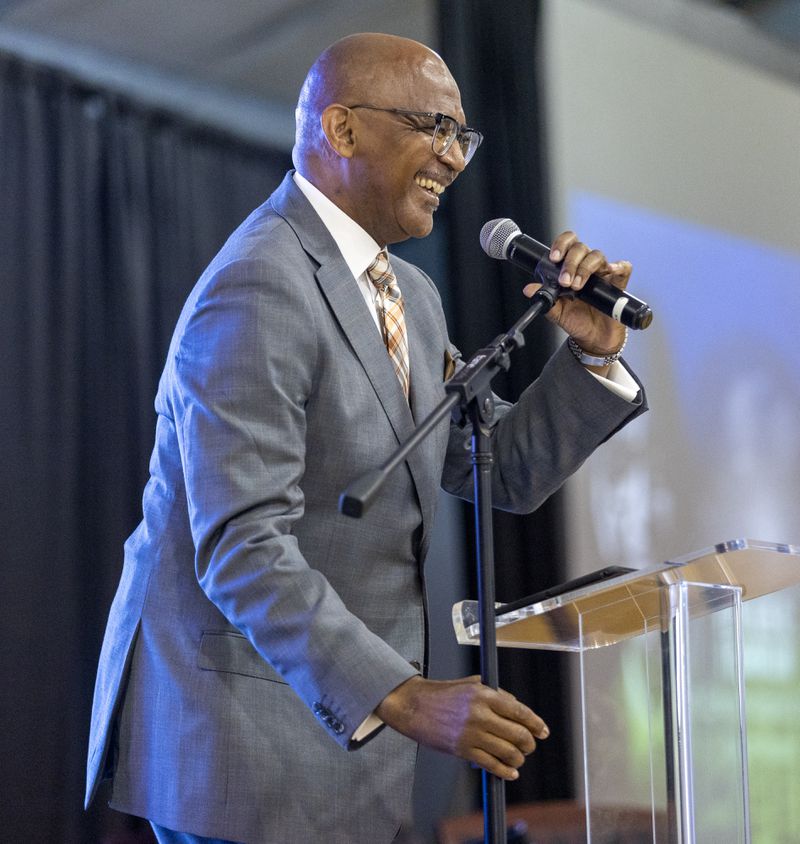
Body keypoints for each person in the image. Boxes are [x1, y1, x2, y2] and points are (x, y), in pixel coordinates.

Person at [86, 32, 645, 844]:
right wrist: (405, 693)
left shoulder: (409, 294)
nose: (455, 159)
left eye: (463, 136)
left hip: (343, 743)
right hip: (246, 744)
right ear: (341, 131)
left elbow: (495, 467)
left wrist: (591, 353)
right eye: (432, 127)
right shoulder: (259, 284)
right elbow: (242, 544)